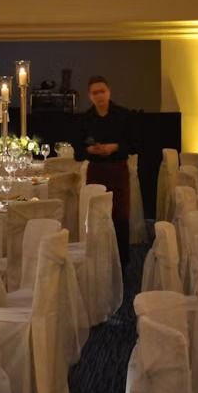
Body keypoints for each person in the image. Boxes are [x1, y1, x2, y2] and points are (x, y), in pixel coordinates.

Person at [75, 76, 133, 268]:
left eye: (102, 91)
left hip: (118, 169)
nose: (99, 96)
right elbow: (78, 151)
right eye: (95, 93)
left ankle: (122, 262)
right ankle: (98, 259)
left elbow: (133, 144)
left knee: (120, 215)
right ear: (90, 96)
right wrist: (90, 150)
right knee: (97, 215)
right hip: (96, 171)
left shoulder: (123, 115)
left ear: (109, 92)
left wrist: (114, 147)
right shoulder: (85, 119)